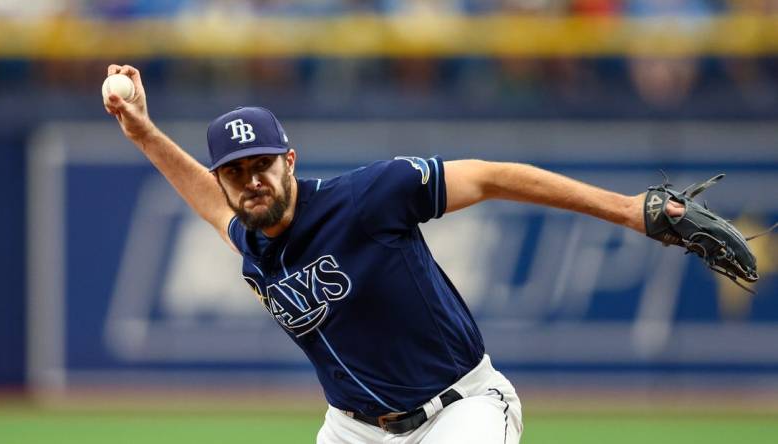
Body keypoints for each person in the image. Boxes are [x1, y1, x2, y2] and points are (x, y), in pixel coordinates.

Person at [104, 64, 685, 444]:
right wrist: (142, 133)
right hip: (353, 430)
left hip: (460, 412)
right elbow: (210, 205)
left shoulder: (364, 197)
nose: (251, 180)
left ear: (291, 162)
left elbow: (492, 177)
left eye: (263, 164)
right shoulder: (252, 238)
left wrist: (626, 210)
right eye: (236, 172)